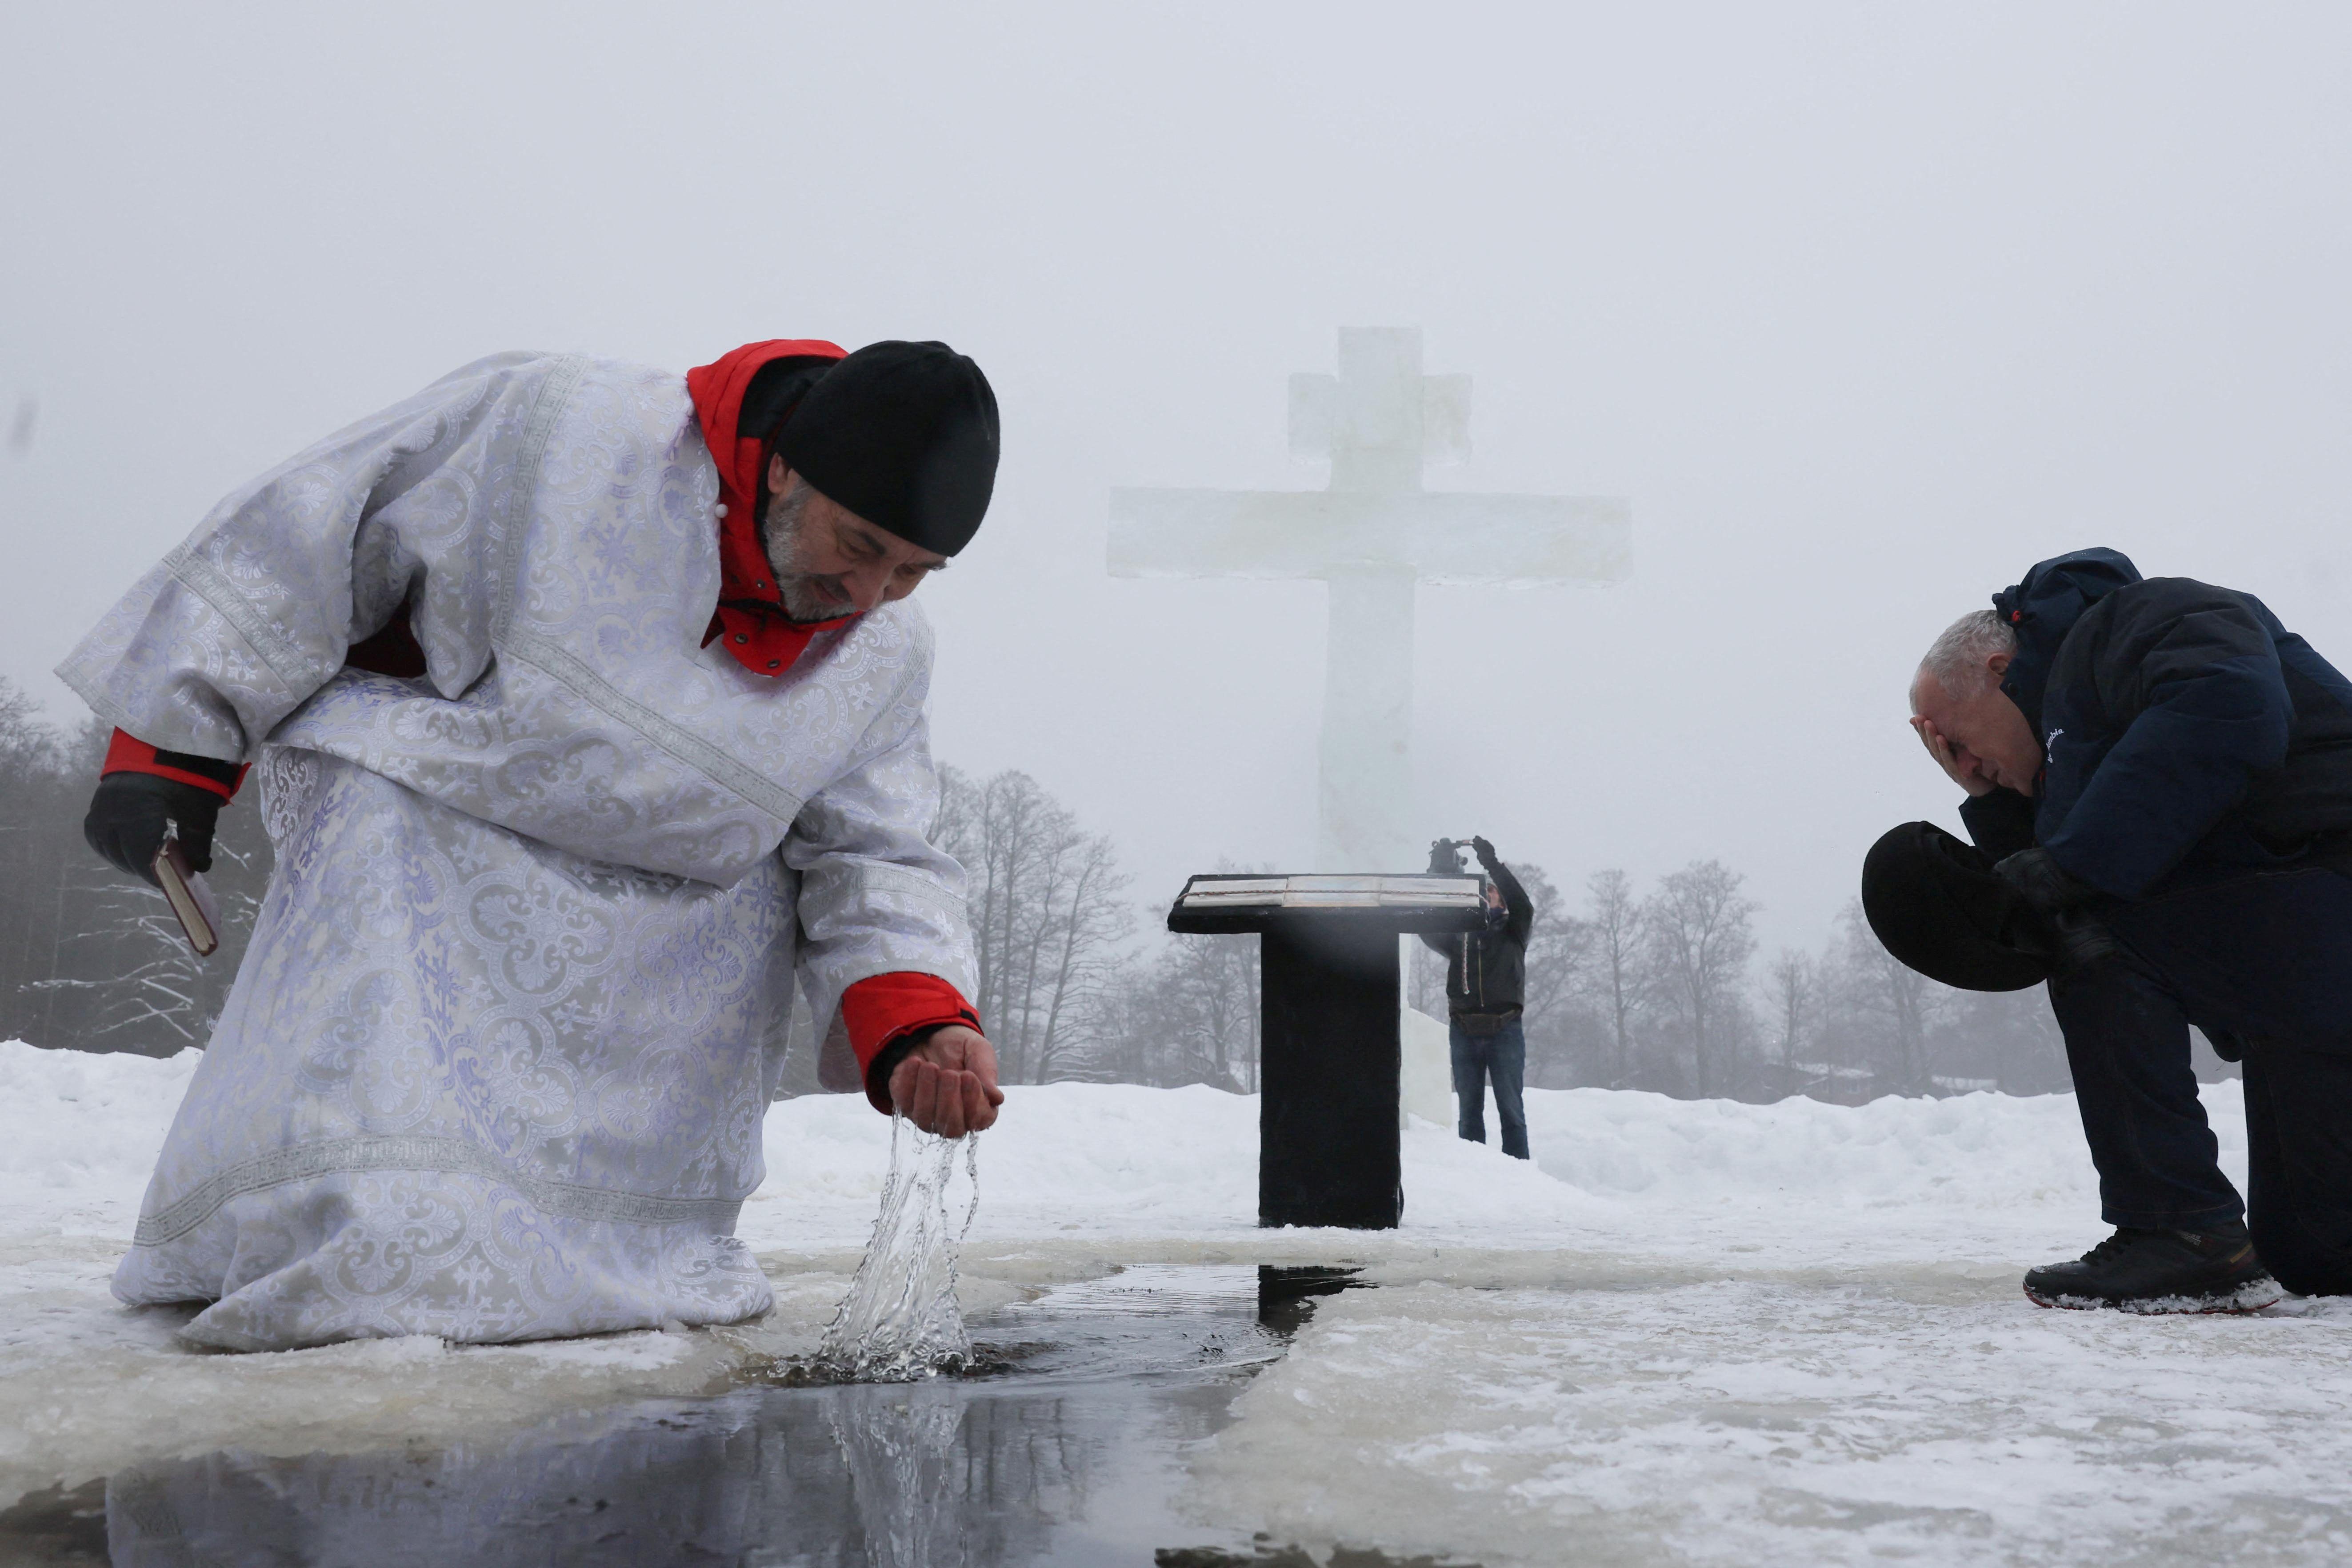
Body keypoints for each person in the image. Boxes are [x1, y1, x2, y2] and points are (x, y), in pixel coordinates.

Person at [61, 339, 1005, 1350]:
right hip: (433, 830)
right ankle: (329, 1233)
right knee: (381, 1246)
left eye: (913, 573)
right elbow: (315, 533)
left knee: (635, 1274)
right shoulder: (559, 430)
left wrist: (917, 1020)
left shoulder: (889, 655)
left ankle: (626, 1266)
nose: (869, 595)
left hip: (674, 939)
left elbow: (875, 850)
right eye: (858, 545)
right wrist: (172, 746)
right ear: (785, 467)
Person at [1871, 545, 2352, 1312]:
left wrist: (2070, 867)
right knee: (2316, 1253)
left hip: (2326, 909)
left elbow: (2233, 702)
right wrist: (1991, 802)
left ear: (2000, 669)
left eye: (1955, 739)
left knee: (2086, 920)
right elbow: (2080, 875)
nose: (1960, 759)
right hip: (2304, 972)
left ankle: (2180, 1229)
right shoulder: (2079, 767)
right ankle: (2214, 1242)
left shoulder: (2142, 618)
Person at [1421, 835, 1535, 1159]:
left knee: (1511, 1110)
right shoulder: (1459, 937)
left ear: (1501, 901)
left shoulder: (1515, 931)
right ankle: (1476, 1178)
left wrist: (1492, 865)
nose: (1486, 895)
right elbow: (1425, 923)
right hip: (1464, 1029)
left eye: (1491, 891)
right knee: (1469, 1114)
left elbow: (1523, 903)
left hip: (1505, 1028)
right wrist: (1438, 873)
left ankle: (1519, 1177)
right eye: (1480, 892)